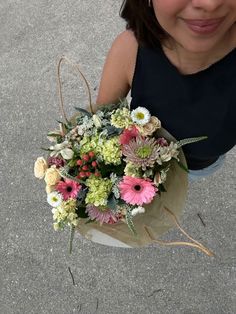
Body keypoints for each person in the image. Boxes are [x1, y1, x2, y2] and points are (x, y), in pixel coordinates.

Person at [96, 0, 236, 180]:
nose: (209, 4)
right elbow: (98, 129)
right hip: (137, 168)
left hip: (200, 168)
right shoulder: (129, 50)